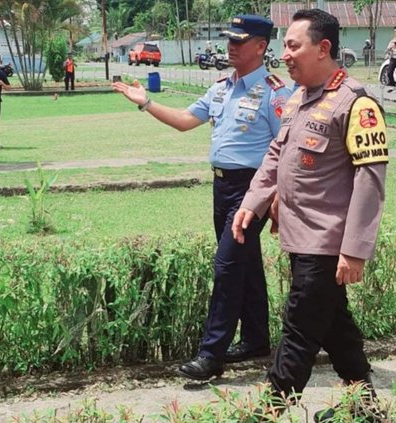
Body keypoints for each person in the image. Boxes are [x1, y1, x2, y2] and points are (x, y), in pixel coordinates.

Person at [113, 15, 291, 380]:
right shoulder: (222, 87)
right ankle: (257, 339)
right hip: (222, 187)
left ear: (260, 46)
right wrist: (144, 102)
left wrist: (275, 198)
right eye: (230, 39)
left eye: (240, 41)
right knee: (244, 263)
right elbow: (183, 120)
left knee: (226, 267)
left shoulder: (276, 93)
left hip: (252, 190)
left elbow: (284, 151)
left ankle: (211, 356)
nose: (231, 46)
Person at [231, 9, 388, 422]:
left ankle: (266, 413)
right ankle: (368, 407)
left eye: (293, 46)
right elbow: (276, 156)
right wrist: (253, 202)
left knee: (298, 334)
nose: (285, 55)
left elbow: (370, 184)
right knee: (335, 328)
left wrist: (354, 250)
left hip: (327, 244)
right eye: (285, 46)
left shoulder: (357, 104)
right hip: (299, 239)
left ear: (323, 49)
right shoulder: (299, 97)